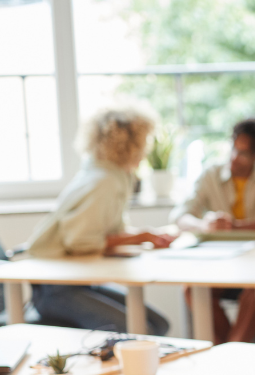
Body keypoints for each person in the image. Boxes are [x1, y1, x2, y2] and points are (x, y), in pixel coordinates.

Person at [25, 106, 175, 335]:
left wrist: (146, 236)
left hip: (79, 281)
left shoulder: (110, 174)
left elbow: (109, 232)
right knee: (141, 330)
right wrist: (142, 236)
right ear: (130, 144)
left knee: (159, 325)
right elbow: (81, 241)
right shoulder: (103, 181)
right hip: (57, 289)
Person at [171, 118, 255, 344]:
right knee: (191, 288)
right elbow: (180, 216)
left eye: (244, 153)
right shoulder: (211, 174)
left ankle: (231, 353)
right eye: (234, 148)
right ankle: (230, 352)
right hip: (221, 265)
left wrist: (232, 226)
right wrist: (203, 224)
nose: (235, 157)